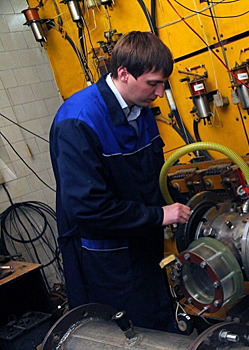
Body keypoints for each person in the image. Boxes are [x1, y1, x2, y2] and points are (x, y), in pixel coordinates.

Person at [49, 31, 190, 332]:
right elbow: (88, 208)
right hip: (106, 260)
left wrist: (178, 206)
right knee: (128, 333)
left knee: (158, 324)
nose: (161, 93)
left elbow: (151, 176)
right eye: (154, 83)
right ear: (124, 73)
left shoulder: (141, 109)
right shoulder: (78, 121)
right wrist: (159, 215)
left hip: (143, 245)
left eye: (163, 83)